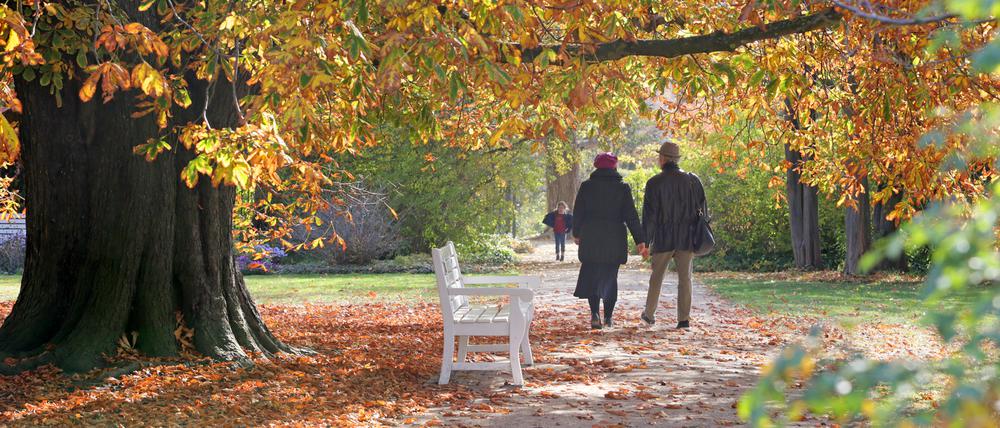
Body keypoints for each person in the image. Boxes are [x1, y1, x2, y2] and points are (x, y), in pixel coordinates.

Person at [572, 152, 647, 329]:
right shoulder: (622, 187)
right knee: (610, 277)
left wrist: (577, 233)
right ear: (614, 166)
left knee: (592, 276)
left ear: (596, 166)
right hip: (614, 238)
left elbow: (578, 212)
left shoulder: (586, 186)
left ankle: (595, 315)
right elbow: (631, 216)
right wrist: (640, 239)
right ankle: (609, 318)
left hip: (591, 237)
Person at [640, 141, 707, 329]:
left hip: (663, 236)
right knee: (685, 278)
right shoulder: (692, 180)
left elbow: (650, 216)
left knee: (657, 277)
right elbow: (702, 209)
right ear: (676, 159)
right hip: (686, 236)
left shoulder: (654, 183)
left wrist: (645, 241)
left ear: (662, 159)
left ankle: (649, 315)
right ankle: (683, 319)